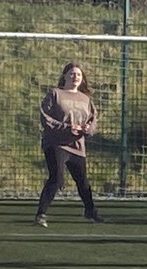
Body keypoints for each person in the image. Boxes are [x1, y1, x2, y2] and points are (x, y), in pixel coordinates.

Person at [34, 62, 103, 227]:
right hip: (56, 144)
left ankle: (90, 211)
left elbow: (93, 120)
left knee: (82, 181)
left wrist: (88, 129)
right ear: (64, 76)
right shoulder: (55, 94)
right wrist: (65, 127)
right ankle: (40, 215)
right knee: (56, 179)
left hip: (77, 146)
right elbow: (45, 117)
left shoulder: (86, 99)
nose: (75, 77)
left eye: (78, 75)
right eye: (72, 74)